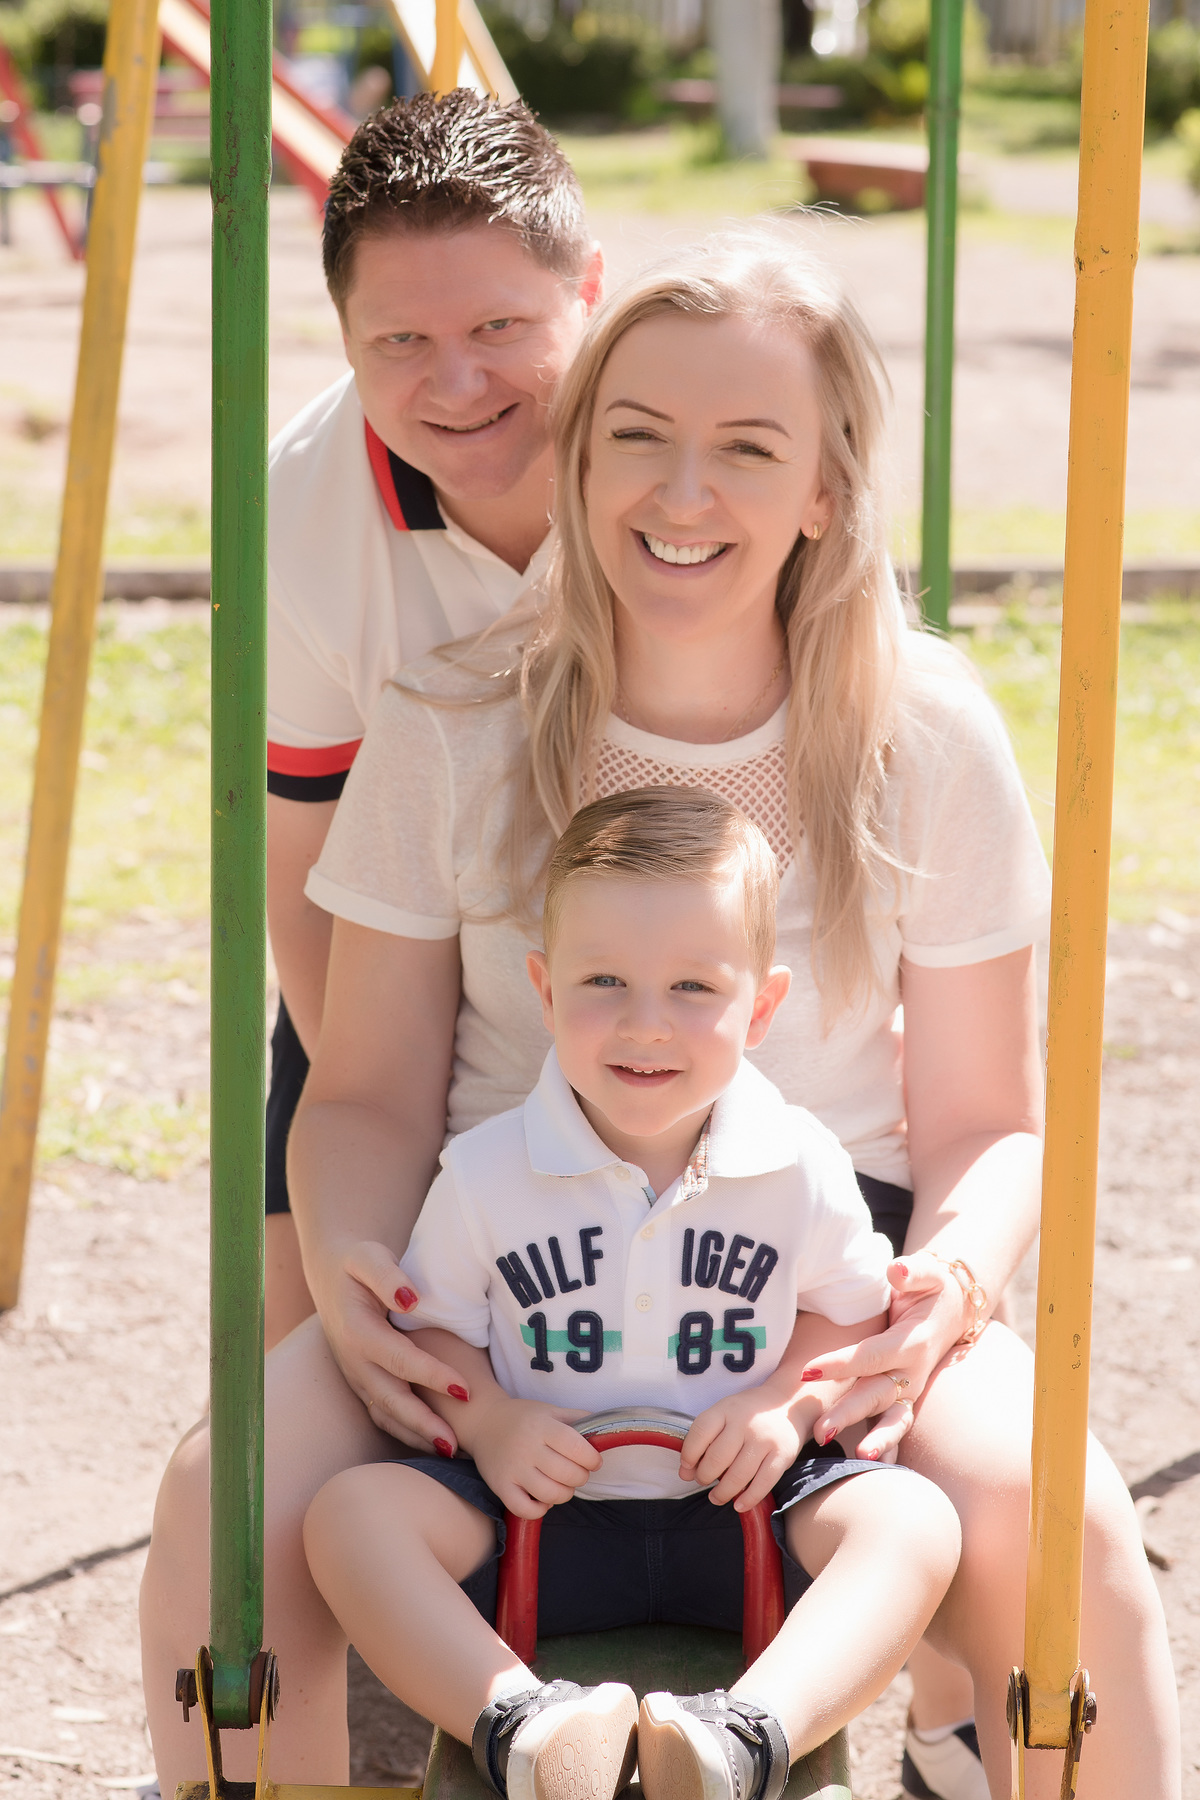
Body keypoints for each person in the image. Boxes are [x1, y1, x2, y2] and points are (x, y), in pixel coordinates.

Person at [141, 230, 1179, 1800]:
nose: (681, 494)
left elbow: (987, 1119)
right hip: (508, 1274)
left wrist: (938, 1299)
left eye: (747, 449)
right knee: (229, 1504)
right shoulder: (457, 719)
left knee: (1077, 1534)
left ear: (825, 487)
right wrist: (355, 1276)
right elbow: (358, 1093)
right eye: (636, 435)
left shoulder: (926, 735)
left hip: (822, 1287)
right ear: (578, 461)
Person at [303, 788, 962, 1800]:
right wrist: (491, 1424)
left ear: (764, 1005)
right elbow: (431, 1331)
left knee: (913, 1522)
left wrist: (785, 1404)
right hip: (537, 1517)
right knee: (350, 1515)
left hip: (747, 1511)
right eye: (603, 980)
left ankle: (746, 1737)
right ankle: (525, 1731)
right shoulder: (486, 1173)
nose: (646, 1023)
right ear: (545, 989)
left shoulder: (798, 1163)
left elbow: (847, 1301)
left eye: (695, 986)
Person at [263, 88, 602, 1347]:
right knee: (307, 1367)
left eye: (500, 324)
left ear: (592, 291)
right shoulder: (301, 513)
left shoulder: (701, 437)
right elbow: (301, 875)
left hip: (699, 950)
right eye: (397, 341)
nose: (454, 384)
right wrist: (397, 1134)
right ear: (344, 335)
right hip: (399, 961)